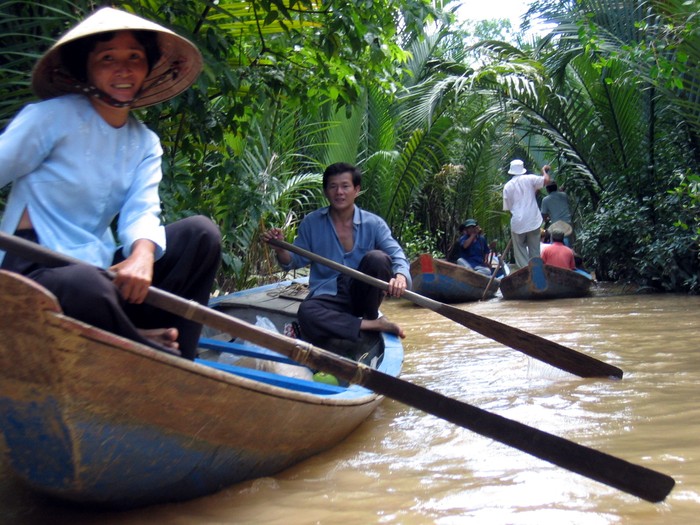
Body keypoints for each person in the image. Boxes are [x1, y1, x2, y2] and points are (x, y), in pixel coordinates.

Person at [0, 7, 221, 360]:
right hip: (32, 273)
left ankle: (181, 362)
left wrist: (143, 255)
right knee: (85, 284)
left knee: (201, 234)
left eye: (134, 57)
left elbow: (143, 210)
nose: (123, 69)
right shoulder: (49, 118)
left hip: (98, 272)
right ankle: (141, 342)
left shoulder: (144, 142)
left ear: (147, 66)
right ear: (87, 66)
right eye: (107, 58)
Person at [262, 162, 411, 348]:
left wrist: (400, 277)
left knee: (378, 258)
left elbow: (397, 255)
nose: (339, 192)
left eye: (345, 186)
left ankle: (367, 318)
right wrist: (281, 249)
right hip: (329, 296)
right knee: (307, 312)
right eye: (333, 186)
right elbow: (293, 261)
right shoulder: (312, 223)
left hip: (363, 297)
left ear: (356, 190)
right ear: (326, 192)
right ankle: (373, 325)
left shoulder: (374, 224)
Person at [502, 159, 550, 268]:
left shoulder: (507, 186)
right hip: (533, 220)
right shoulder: (530, 178)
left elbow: (508, 208)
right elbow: (546, 180)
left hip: (518, 222)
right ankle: (536, 272)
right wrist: (544, 171)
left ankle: (525, 272)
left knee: (520, 251)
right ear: (523, 169)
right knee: (535, 251)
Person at [540, 167, 573, 246]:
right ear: (556, 187)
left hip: (556, 225)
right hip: (567, 223)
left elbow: (544, 214)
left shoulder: (546, 200)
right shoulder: (564, 195)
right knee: (568, 244)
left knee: (555, 244)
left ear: (547, 190)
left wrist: (547, 218)